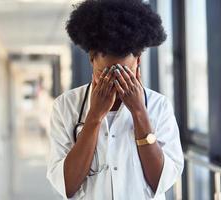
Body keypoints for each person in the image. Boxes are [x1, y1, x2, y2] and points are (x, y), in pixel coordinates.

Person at [46, 0, 184, 199]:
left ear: (138, 61)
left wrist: (139, 112)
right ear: (92, 59)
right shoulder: (65, 106)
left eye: (124, 73)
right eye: (107, 74)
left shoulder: (158, 106)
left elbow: (162, 181)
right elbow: (66, 184)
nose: (116, 83)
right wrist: (94, 116)